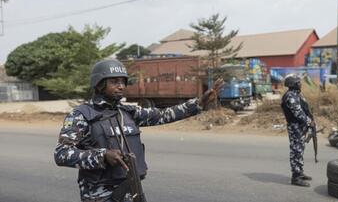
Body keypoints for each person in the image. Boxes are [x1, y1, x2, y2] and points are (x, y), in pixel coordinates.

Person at [54, 59, 223, 202]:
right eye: (114, 82)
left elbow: (163, 115)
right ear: (99, 85)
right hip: (99, 195)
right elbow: (62, 154)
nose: (120, 86)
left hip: (130, 190)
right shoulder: (81, 115)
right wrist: (102, 155)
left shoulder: (128, 112)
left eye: (123, 82)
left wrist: (199, 103)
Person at [280, 75, 315, 187]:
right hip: (295, 126)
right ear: (293, 84)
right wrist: (309, 122)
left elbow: (304, 109)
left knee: (300, 149)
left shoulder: (296, 94)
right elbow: (298, 113)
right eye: (298, 82)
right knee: (296, 150)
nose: (300, 84)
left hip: (300, 126)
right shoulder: (290, 96)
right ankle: (296, 177)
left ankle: (299, 171)